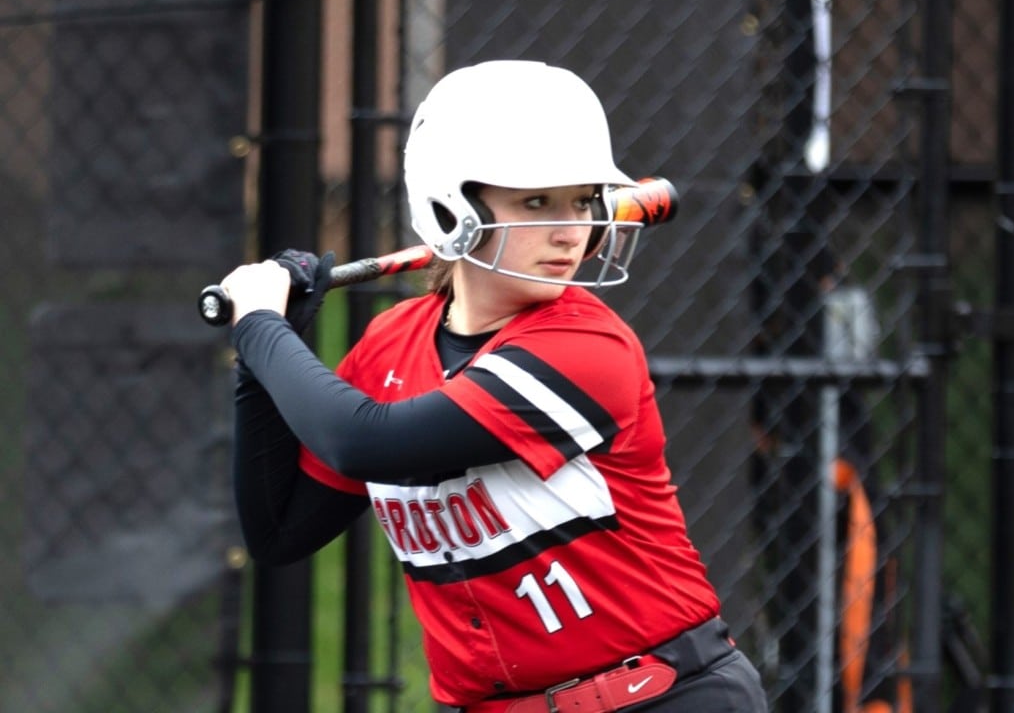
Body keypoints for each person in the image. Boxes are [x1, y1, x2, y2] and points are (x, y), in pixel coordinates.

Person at [219, 60, 768, 712]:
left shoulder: (585, 346)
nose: (571, 231)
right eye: (537, 203)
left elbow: (363, 443)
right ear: (451, 208)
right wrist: (258, 366)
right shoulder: (392, 345)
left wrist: (258, 324)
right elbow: (280, 533)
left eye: (582, 201)